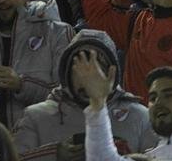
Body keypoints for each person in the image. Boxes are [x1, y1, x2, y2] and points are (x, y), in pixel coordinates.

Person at [14, 33, 154, 160]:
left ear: (112, 74)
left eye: (97, 69)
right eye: (80, 68)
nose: (89, 79)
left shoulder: (140, 117)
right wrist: (53, 153)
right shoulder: (35, 117)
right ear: (67, 72)